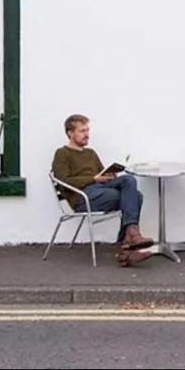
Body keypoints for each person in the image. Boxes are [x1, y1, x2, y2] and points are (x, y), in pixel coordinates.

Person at [51, 114, 154, 267]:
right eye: (82, 131)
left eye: (87, 130)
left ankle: (130, 238)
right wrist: (94, 179)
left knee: (129, 180)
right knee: (135, 197)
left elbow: (101, 174)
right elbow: (64, 181)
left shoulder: (90, 153)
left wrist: (109, 175)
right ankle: (127, 248)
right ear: (70, 133)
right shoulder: (62, 153)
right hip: (82, 197)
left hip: (100, 190)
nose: (87, 134)